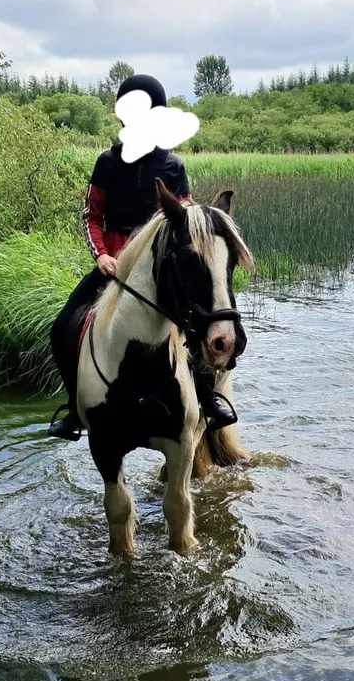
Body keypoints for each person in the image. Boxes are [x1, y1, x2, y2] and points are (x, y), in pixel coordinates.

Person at [47, 73, 239, 441]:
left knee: (196, 326)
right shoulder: (107, 163)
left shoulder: (172, 167)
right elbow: (91, 216)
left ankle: (206, 398)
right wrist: (101, 255)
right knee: (60, 327)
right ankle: (75, 408)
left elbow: (185, 227)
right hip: (115, 267)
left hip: (159, 270)